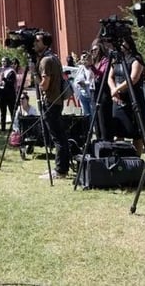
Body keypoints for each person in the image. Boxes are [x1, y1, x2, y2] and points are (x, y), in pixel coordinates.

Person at [34, 31, 69, 180]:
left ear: (45, 43)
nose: (34, 44)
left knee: (57, 137)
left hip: (50, 101)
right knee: (60, 136)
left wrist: (34, 75)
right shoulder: (54, 57)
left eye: (37, 41)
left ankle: (60, 170)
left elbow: (45, 85)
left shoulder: (46, 61)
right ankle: (61, 168)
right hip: (57, 101)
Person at [107, 37, 145, 156]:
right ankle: (120, 158)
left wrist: (116, 89)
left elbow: (133, 79)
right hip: (118, 99)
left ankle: (136, 159)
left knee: (136, 132)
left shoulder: (136, 59)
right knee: (118, 131)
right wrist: (113, 90)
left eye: (123, 42)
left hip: (133, 98)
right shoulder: (117, 59)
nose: (121, 44)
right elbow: (110, 76)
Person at [0, 57, 17, 131]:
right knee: (3, 112)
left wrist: (4, 79)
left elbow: (11, 83)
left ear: (8, 62)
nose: (3, 63)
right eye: (2, 61)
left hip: (10, 94)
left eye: (5, 61)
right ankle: (3, 128)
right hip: (1, 94)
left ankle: (15, 127)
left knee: (12, 111)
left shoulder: (11, 71)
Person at [75, 53, 95, 117]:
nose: (84, 61)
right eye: (82, 59)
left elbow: (94, 81)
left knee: (92, 115)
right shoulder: (80, 69)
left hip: (91, 94)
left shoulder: (92, 69)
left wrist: (85, 83)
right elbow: (76, 80)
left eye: (85, 59)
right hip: (82, 94)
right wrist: (78, 83)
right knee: (86, 115)